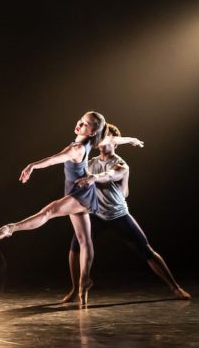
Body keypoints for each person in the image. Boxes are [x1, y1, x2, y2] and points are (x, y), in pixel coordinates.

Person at [61, 123, 191, 302]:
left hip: (118, 214)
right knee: (75, 248)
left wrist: (94, 178)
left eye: (109, 139)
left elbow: (110, 175)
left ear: (116, 143)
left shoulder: (121, 164)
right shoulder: (90, 163)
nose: (103, 142)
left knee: (146, 250)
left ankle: (175, 288)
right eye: (101, 138)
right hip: (96, 214)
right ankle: (76, 289)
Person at [0, 111, 107, 305]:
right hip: (80, 191)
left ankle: (12, 228)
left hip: (79, 195)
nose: (79, 124)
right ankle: (85, 280)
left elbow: (55, 158)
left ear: (92, 132)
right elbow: (110, 136)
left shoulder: (77, 148)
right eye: (81, 120)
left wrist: (33, 166)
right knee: (84, 239)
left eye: (85, 125)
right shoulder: (87, 142)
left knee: (49, 211)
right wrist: (129, 140)